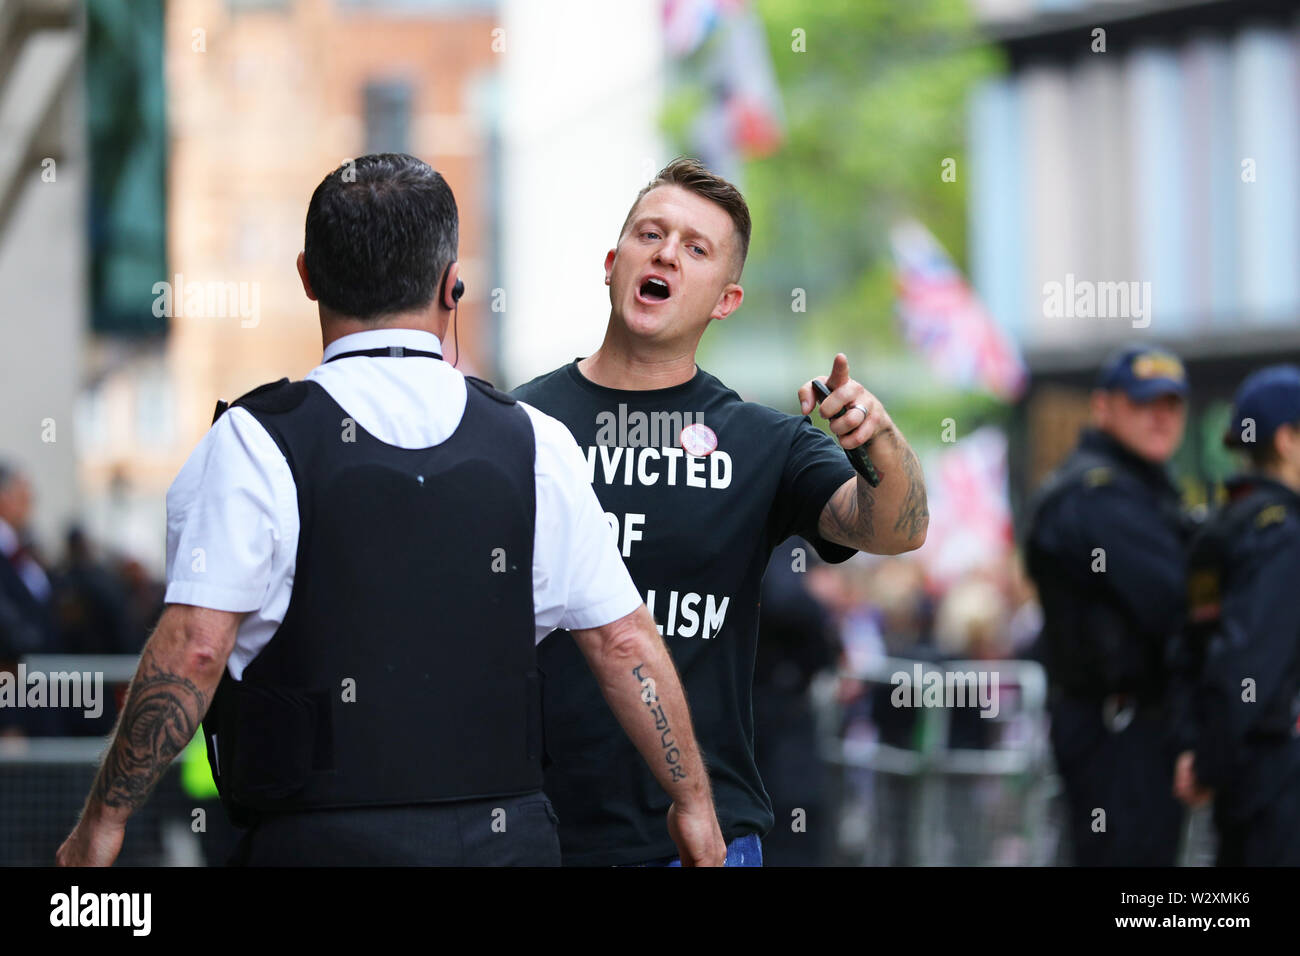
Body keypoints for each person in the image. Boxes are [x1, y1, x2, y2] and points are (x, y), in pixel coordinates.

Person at [56, 153, 725, 867]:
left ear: (307, 276)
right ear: (451, 285)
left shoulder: (253, 443)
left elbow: (194, 645)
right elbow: (624, 644)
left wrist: (103, 821)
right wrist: (694, 803)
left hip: (316, 845)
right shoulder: (535, 443)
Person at [512, 157, 928, 866]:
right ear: (614, 262)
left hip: (703, 840)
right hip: (537, 832)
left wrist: (876, 440)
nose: (667, 252)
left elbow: (898, 528)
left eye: (695, 247)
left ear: (725, 300)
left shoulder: (760, 441)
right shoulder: (520, 422)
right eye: (651, 234)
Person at [1023, 345, 1191, 866]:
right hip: (1117, 732)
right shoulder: (1097, 495)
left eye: (1172, 404)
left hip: (1140, 728)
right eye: (1145, 403)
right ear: (1103, 408)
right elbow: (1179, 601)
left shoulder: (1147, 488)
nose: (1161, 416)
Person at [1171, 364, 1300, 866]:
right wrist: (1208, 763)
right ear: (1287, 440)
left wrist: (1199, 754)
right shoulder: (1284, 534)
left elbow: (1191, 648)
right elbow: (1245, 661)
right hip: (1278, 775)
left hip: (1243, 776)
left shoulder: (1220, 528)